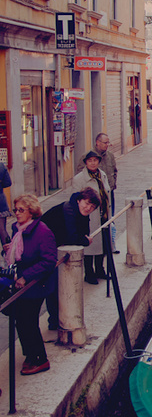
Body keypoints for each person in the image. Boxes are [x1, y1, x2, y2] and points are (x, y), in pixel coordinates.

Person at [4, 194, 57, 375]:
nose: (17, 213)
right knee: (21, 320)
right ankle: (30, 355)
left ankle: (41, 359)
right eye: (15, 210)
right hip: (22, 284)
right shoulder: (17, 229)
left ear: (32, 211)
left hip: (37, 284)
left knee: (28, 321)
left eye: (21, 210)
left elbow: (49, 261)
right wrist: (9, 249)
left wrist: (26, 276)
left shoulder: (43, 232)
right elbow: (19, 255)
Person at [42, 188, 100, 333]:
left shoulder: (80, 211)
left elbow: (82, 233)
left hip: (57, 245)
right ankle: (54, 320)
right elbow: (74, 238)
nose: (88, 208)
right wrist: (85, 241)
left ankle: (56, 319)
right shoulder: (69, 209)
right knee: (53, 284)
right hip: (45, 247)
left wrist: (83, 239)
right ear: (79, 200)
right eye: (86, 204)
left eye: (92, 207)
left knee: (57, 284)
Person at [72, 151, 110, 283]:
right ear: (86, 163)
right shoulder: (79, 179)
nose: (93, 163)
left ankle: (100, 269)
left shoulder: (102, 175)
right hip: (88, 216)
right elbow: (75, 199)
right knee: (89, 245)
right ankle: (89, 273)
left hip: (103, 214)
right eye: (90, 160)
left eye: (95, 160)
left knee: (103, 244)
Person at [94, 132, 119, 252]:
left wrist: (113, 183)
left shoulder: (110, 155)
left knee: (111, 218)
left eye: (108, 142)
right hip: (97, 195)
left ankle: (111, 244)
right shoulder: (90, 157)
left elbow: (114, 170)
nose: (107, 145)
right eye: (105, 143)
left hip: (110, 193)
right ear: (97, 143)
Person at [0, 159, 12, 246]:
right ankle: (8, 253)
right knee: (2, 230)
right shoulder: (1, 166)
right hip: (1, 201)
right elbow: (8, 183)